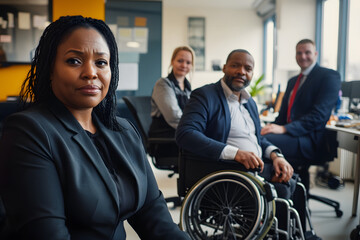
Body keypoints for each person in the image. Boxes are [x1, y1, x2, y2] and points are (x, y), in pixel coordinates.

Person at [0, 15, 189, 240]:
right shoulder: (28, 132)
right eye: (74, 61)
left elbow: (152, 215)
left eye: (101, 62)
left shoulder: (124, 130)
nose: (91, 72)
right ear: (50, 69)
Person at [176, 49, 295, 199]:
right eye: (235, 66)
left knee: (290, 177)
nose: (241, 72)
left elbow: (256, 138)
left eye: (248, 69)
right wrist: (236, 154)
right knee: (283, 190)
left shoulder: (249, 103)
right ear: (224, 68)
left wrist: (276, 156)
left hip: (255, 169)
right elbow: (186, 134)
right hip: (227, 172)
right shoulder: (205, 95)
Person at [260, 39, 341, 190]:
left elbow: (319, 116)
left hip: (310, 139)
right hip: (292, 136)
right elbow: (283, 116)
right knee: (260, 137)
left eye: (307, 52)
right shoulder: (292, 81)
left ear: (315, 54)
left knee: (263, 144)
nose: (303, 56)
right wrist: (271, 126)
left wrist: (284, 129)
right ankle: (286, 195)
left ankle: (289, 194)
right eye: (299, 53)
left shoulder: (329, 76)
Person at [149, 46, 194, 158]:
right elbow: (174, 116)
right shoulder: (163, 84)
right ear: (172, 61)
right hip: (166, 138)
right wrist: (195, 130)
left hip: (179, 134)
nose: (184, 65)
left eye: (188, 62)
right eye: (180, 61)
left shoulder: (188, 87)